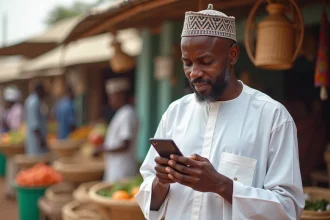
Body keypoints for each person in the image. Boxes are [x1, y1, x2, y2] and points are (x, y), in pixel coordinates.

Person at [135, 4, 304, 220]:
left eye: (206, 62)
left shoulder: (272, 117)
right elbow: (151, 201)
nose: (194, 73)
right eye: (187, 63)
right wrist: (162, 181)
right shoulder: (175, 112)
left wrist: (221, 185)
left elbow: (289, 208)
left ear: (232, 55)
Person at [93, 78, 138, 182]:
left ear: (121, 96)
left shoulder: (127, 114)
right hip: (116, 167)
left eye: (112, 97)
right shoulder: (122, 113)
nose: (110, 100)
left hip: (122, 169)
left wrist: (102, 149)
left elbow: (125, 144)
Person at [25, 83, 48, 155]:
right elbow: (34, 124)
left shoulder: (36, 101)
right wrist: (40, 139)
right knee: (37, 163)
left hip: (37, 138)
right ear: (39, 90)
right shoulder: (33, 102)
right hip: (36, 140)